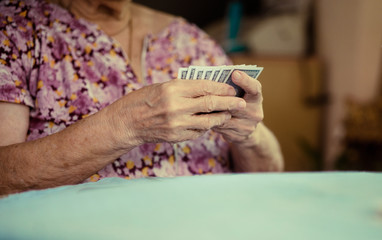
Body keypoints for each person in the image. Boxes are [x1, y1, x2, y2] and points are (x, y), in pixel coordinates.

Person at [0, 0, 283, 195]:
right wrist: (125, 124)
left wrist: (249, 136)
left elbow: (268, 177)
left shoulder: (191, 39)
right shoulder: (16, 28)